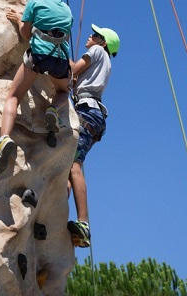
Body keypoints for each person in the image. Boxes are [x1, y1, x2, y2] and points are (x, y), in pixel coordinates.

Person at [0, 0, 75, 175]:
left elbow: (25, 33)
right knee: (64, 91)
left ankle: (4, 140)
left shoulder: (35, 3)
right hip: (60, 60)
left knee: (13, 96)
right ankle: (53, 110)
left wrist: (19, 18)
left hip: (38, 56)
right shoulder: (66, 9)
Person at [67, 24, 120, 248]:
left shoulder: (98, 52)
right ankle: (59, 208)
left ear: (103, 43)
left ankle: (83, 222)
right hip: (94, 115)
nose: (90, 36)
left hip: (87, 111)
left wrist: (53, 46)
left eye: (95, 35)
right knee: (68, 165)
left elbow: (73, 70)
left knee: (73, 166)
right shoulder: (105, 64)